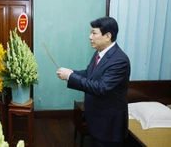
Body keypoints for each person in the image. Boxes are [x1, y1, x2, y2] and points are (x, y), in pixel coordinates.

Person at [56, 17, 131, 147]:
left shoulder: (119, 60)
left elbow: (101, 87)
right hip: (96, 120)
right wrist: (71, 72)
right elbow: (89, 74)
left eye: (94, 33)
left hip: (108, 126)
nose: (90, 37)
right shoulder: (99, 53)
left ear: (108, 36)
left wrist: (70, 77)